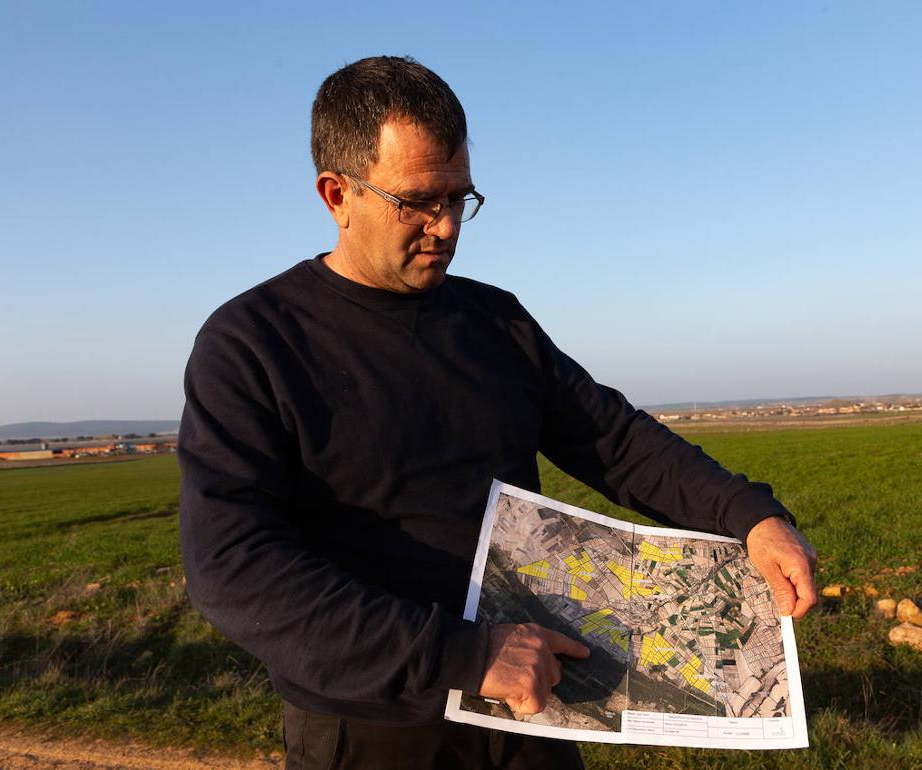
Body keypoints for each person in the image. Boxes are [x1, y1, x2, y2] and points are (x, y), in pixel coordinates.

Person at [178, 55, 818, 770]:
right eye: (418, 201)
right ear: (337, 194)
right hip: (373, 728)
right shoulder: (254, 344)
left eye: (460, 198)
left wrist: (748, 516)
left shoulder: (495, 322)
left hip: (530, 711)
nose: (446, 227)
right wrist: (462, 655)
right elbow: (232, 564)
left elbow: (613, 440)